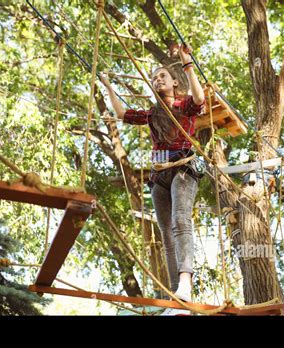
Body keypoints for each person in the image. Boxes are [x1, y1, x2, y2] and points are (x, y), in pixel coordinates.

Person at [100, 43, 205, 315]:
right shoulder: (151, 113)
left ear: (173, 83)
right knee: (165, 233)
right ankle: (175, 298)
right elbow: (122, 114)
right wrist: (108, 86)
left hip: (183, 168)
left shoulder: (184, 105)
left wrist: (187, 64)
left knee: (181, 220)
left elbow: (200, 98)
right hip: (159, 176)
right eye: (154, 77)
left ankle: (185, 283)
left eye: (162, 76)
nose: (158, 79)